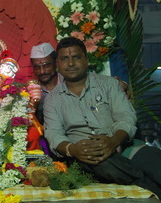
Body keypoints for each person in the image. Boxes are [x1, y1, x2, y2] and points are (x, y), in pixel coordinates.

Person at [44, 36, 161, 198]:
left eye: (76, 57)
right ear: (58, 64)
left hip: (125, 147)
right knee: (101, 161)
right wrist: (73, 149)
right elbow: (54, 134)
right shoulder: (52, 99)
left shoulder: (109, 85)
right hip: (86, 155)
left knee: (156, 162)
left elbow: (126, 117)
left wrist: (113, 141)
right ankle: (149, 186)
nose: (71, 63)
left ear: (86, 59)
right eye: (65, 59)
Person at [30, 43, 63, 125]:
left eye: (47, 65)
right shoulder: (31, 91)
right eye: (37, 67)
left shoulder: (68, 83)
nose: (42, 71)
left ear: (56, 63)